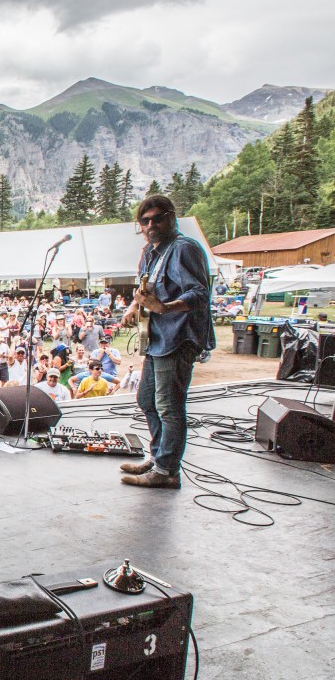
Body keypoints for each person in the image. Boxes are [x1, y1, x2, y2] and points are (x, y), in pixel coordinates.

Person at [119, 195, 215, 489]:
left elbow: (198, 294)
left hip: (178, 338)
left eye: (157, 218)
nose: (151, 224)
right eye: (145, 220)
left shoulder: (184, 249)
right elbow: (146, 289)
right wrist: (136, 307)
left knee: (169, 407)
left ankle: (167, 471)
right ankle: (159, 456)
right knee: (146, 399)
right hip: (158, 339)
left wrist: (165, 308)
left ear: (172, 218)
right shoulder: (151, 252)